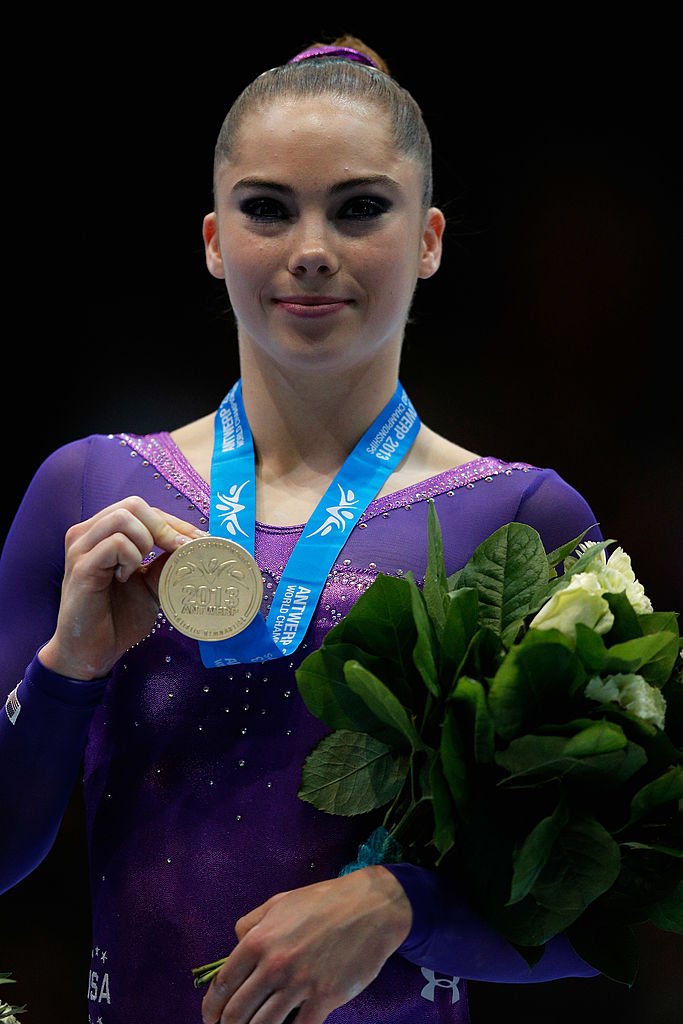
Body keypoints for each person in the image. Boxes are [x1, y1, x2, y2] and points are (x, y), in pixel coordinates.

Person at [0, 34, 604, 1024]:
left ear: (429, 239)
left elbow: (618, 905)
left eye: (359, 208)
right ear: (210, 240)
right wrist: (65, 671)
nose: (311, 246)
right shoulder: (87, 490)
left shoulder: (521, 521)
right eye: (267, 209)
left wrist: (399, 904)